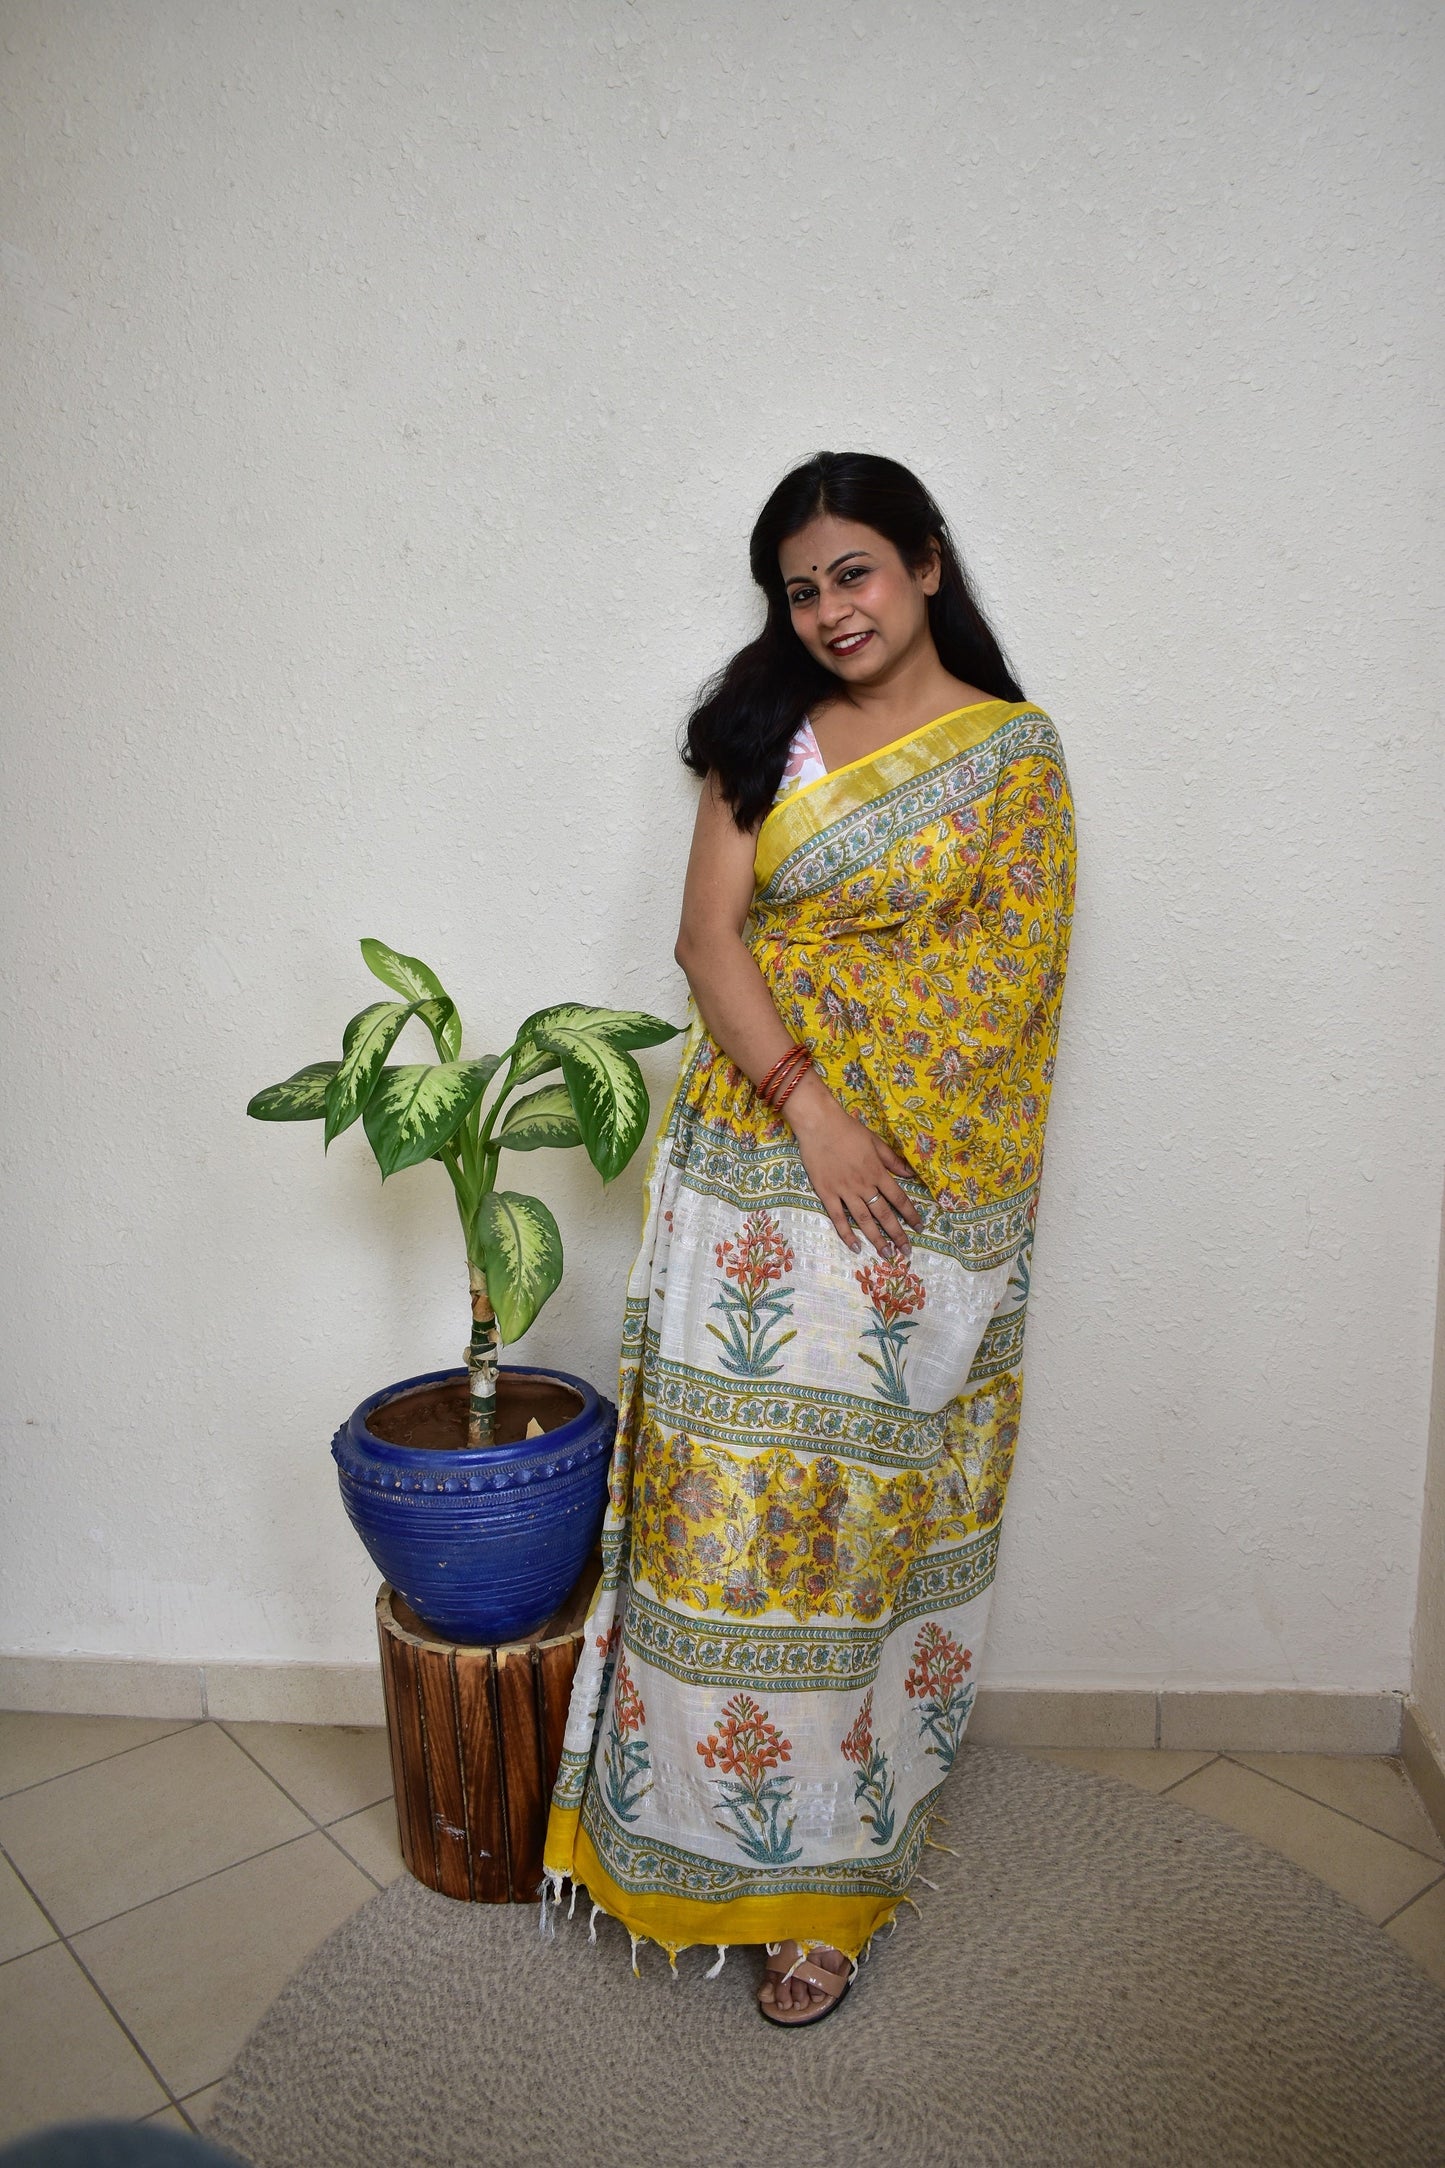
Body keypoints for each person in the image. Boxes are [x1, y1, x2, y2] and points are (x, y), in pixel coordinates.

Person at [542, 450, 1076, 2026]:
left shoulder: (1012, 757)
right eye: (799, 586)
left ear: (920, 563)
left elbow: (1007, 994)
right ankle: (686, 1832)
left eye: (853, 572)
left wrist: (874, 1141)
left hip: (913, 1208)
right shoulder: (756, 737)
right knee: (719, 1514)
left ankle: (827, 1883)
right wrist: (808, 1108)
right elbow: (709, 941)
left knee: (846, 1539)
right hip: (750, 1180)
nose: (830, 609)